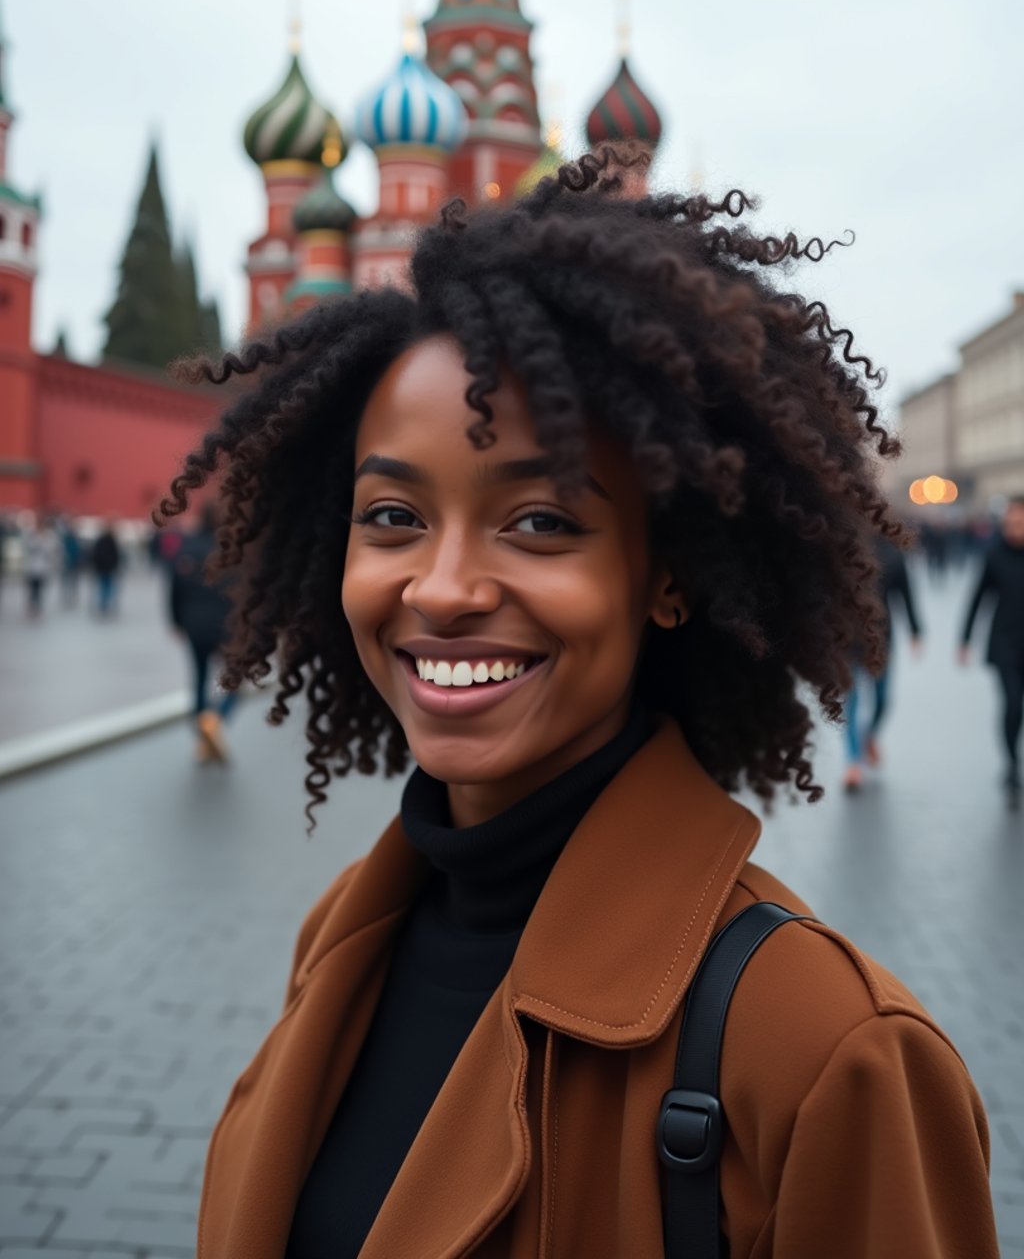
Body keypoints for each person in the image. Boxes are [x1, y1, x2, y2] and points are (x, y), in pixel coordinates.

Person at [158, 149, 997, 1258]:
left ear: (667, 573)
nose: (442, 589)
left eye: (541, 522)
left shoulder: (822, 1050)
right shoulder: (343, 934)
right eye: (393, 517)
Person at [842, 533, 922, 791]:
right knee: (851, 702)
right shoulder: (842, 547)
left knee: (883, 700)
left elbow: (906, 594)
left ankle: (870, 736)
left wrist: (915, 631)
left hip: (882, 639)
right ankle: (853, 762)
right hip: (848, 639)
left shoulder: (892, 553)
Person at [959, 493, 1024, 809]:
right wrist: (965, 639)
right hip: (1005, 645)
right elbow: (978, 599)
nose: (1016, 526)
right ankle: (1012, 764)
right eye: (1011, 521)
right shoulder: (995, 556)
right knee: (1013, 705)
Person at [168, 501, 237, 763]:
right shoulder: (232, 548)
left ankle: (202, 738)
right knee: (234, 682)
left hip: (194, 625)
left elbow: (175, 589)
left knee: (199, 679)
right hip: (226, 626)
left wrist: (176, 621)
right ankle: (215, 721)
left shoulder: (187, 547)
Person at [21, 515, 59, 619]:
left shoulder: (49, 535)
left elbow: (52, 549)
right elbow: (27, 547)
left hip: (43, 568)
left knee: (40, 589)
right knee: (32, 589)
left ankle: (38, 607)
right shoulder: (29, 534)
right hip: (31, 567)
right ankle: (32, 607)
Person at [90, 522, 122, 617]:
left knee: (106, 588)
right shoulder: (109, 541)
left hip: (105, 568)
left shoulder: (103, 541)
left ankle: (104, 606)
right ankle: (104, 606)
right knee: (106, 588)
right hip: (106, 568)